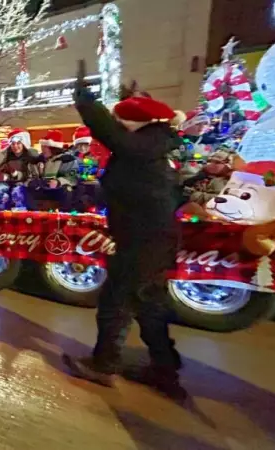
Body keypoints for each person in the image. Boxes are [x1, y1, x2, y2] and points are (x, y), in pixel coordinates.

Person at [62, 60, 187, 401]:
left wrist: (85, 100)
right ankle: (164, 369)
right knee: (148, 304)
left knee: (117, 301)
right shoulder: (153, 143)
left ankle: (105, 364)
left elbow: (111, 133)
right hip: (150, 236)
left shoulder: (143, 145)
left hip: (142, 239)